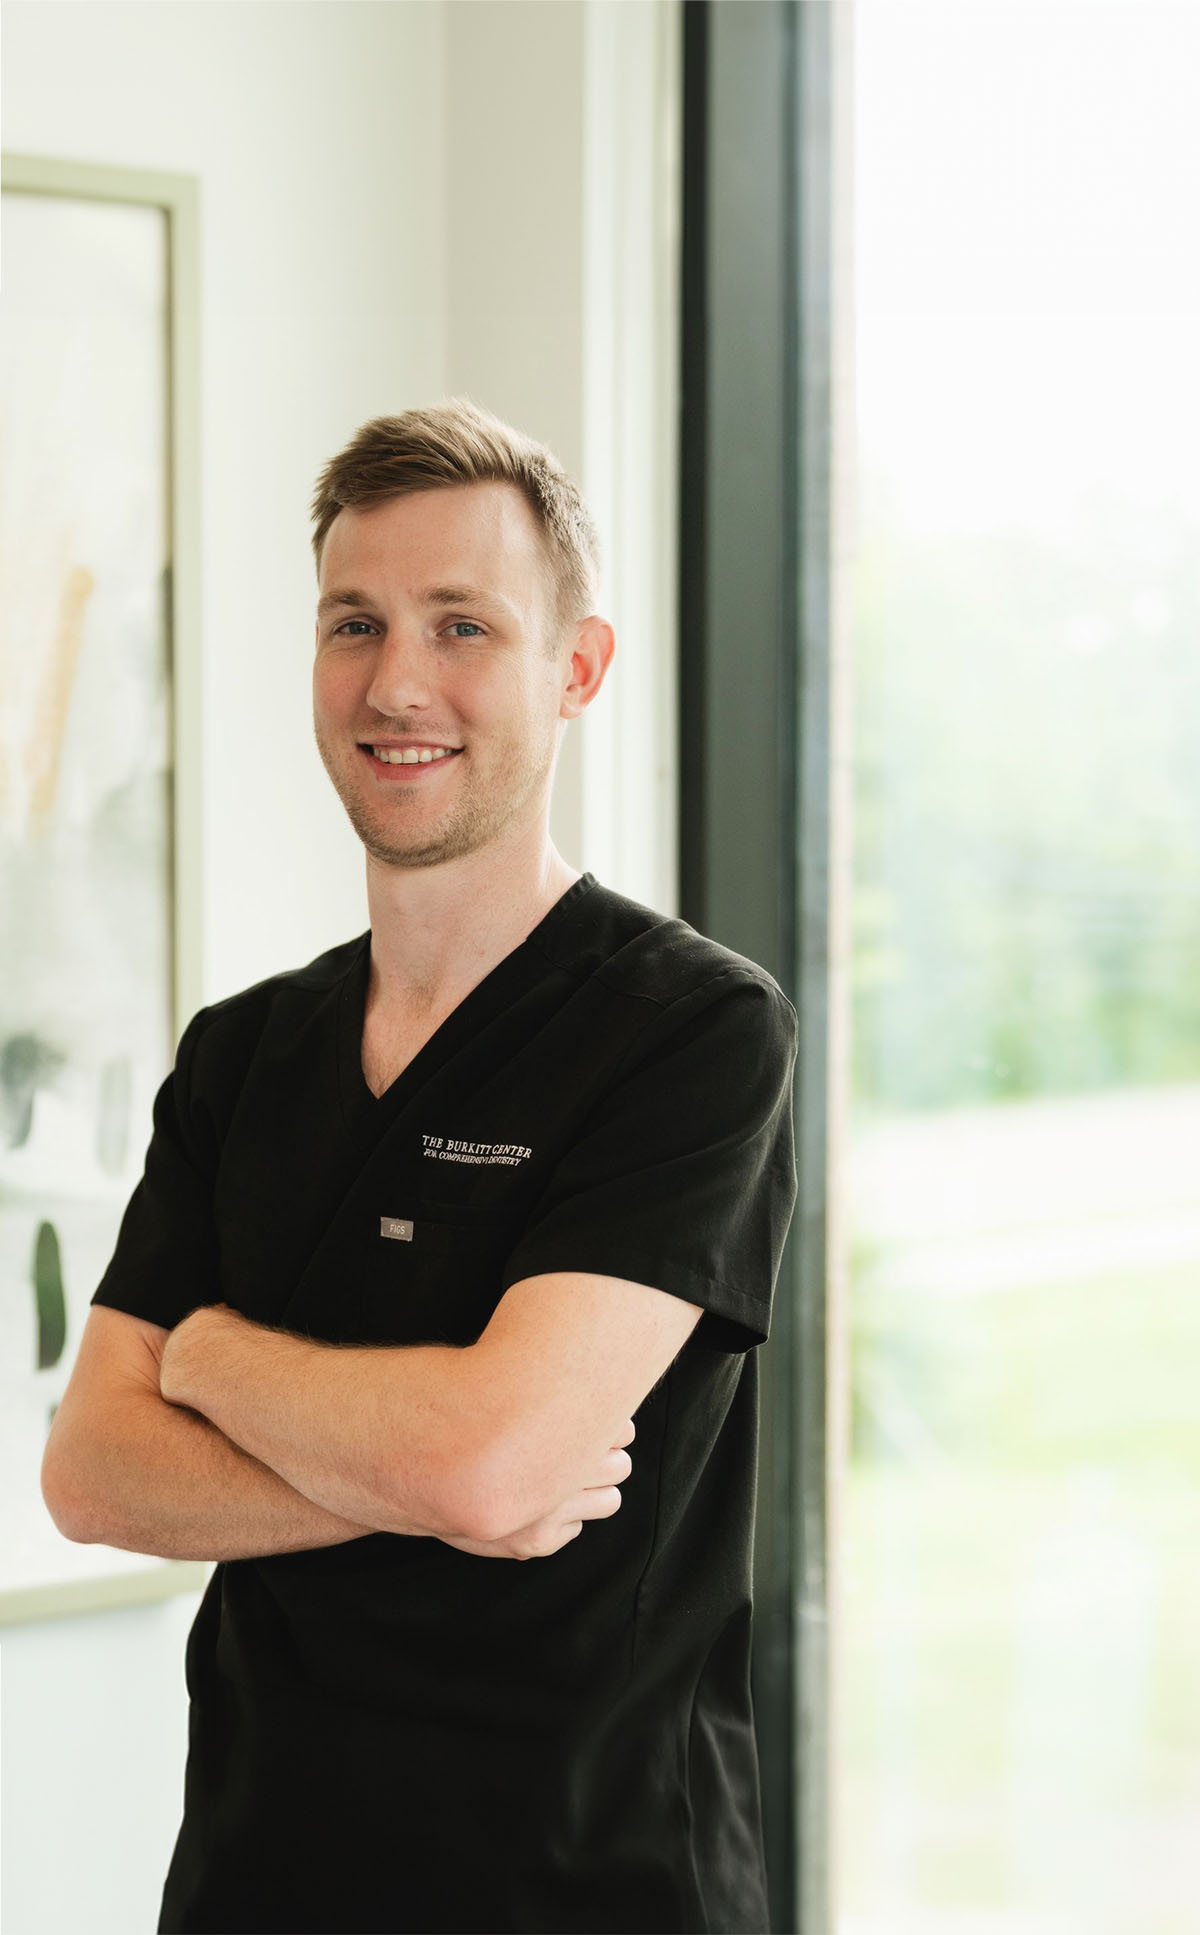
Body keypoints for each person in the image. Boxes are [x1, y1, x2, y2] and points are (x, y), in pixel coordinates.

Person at [42, 397, 799, 1935]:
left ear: (574, 668)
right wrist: (438, 1466)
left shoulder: (694, 1032)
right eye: (354, 623)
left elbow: (494, 1459)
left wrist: (207, 1357)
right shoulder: (243, 1053)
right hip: (260, 1885)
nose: (398, 683)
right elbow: (92, 1471)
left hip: (592, 1890)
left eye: (464, 626)